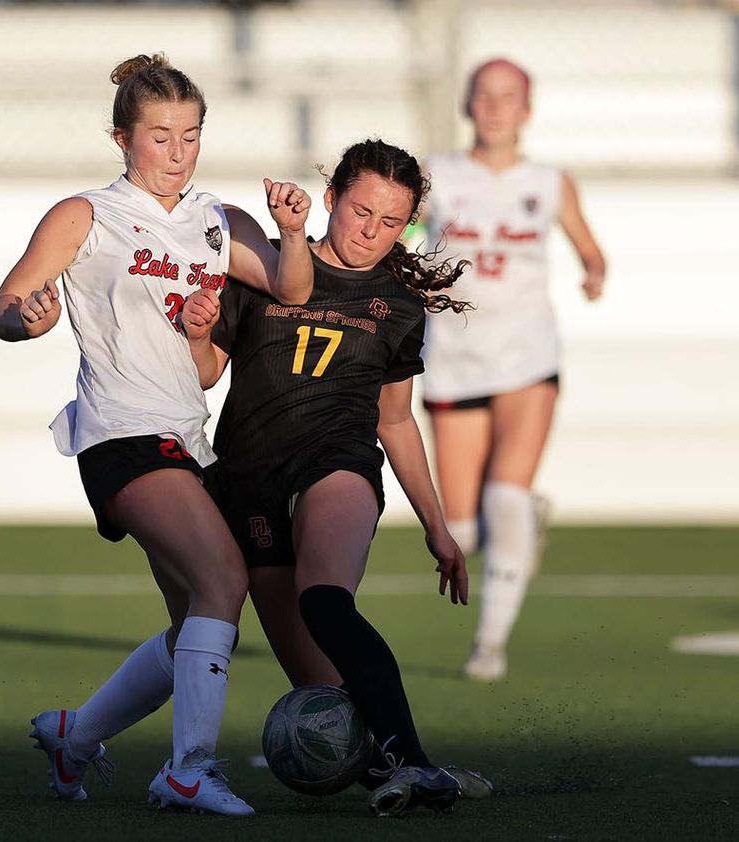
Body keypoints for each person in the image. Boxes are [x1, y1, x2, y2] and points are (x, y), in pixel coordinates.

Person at [0, 54, 313, 816]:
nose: (177, 152)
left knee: (194, 619)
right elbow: (3, 306)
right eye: (160, 136)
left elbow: (290, 286)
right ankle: (190, 768)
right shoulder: (85, 215)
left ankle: (76, 734)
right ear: (122, 138)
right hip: (119, 436)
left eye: (191, 135)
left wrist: (293, 231)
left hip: (186, 441)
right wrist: (23, 321)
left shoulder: (215, 219)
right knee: (224, 580)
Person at [184, 138, 492, 817]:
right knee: (329, 703)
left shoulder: (399, 303)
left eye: (392, 222)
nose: (372, 233)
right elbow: (207, 374)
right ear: (330, 200)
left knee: (325, 601)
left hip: (338, 463)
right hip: (249, 477)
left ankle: (416, 766)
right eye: (361, 213)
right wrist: (198, 335)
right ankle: (396, 766)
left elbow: (396, 422)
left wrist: (438, 527)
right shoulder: (265, 265)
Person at [421, 58, 607, 681]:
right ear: (467, 105)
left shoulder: (550, 182)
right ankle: (523, 520)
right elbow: (406, 236)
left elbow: (587, 245)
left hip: (528, 357)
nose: (496, 107)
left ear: (528, 110)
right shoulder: (436, 177)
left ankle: (489, 646)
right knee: (465, 530)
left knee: (505, 493)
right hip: (451, 358)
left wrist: (594, 271)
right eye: (485, 96)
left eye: (510, 97)